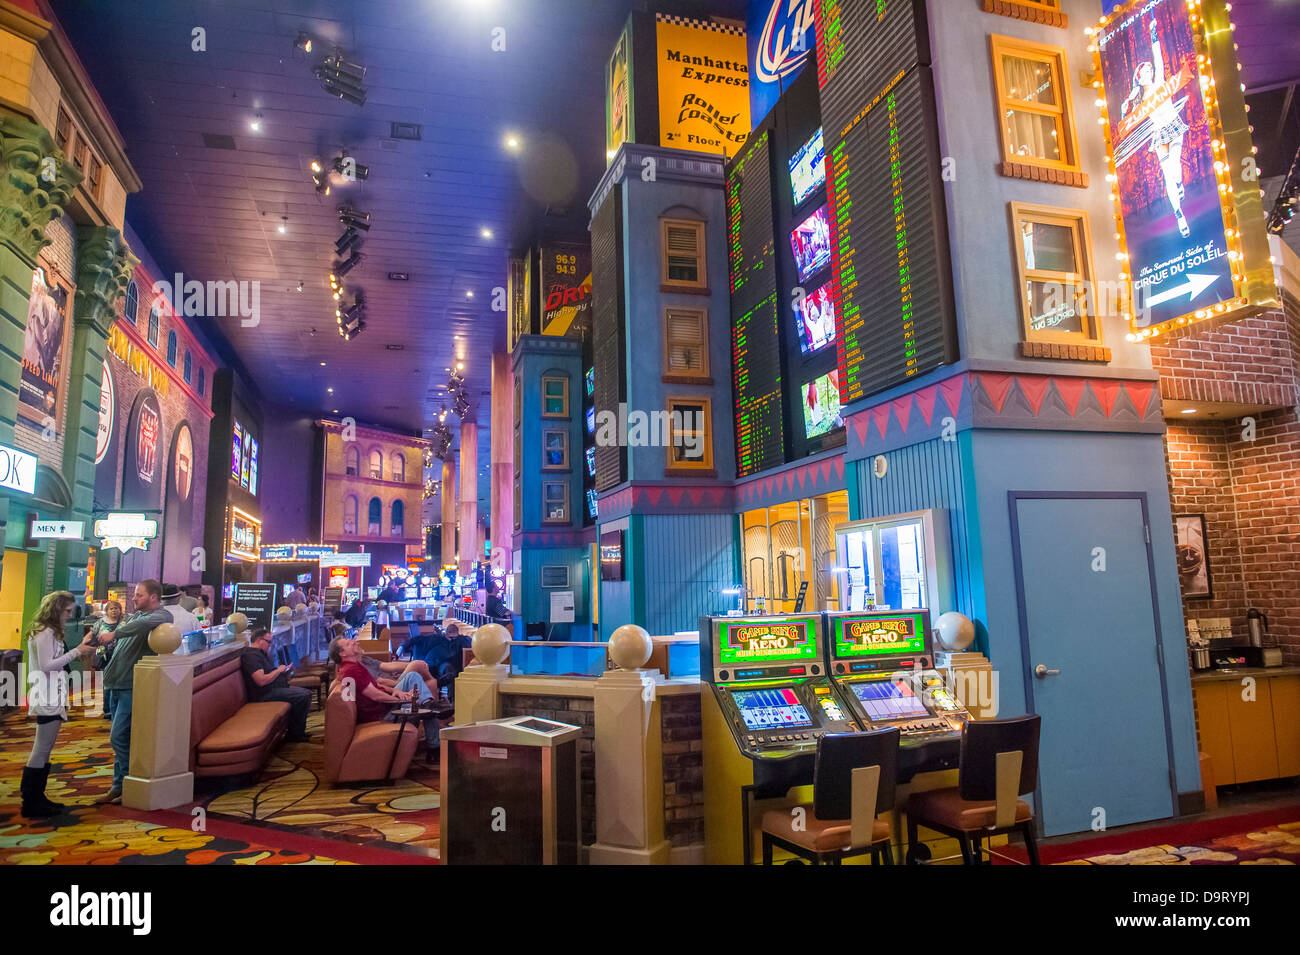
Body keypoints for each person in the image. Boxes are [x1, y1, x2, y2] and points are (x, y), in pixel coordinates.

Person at [21, 591, 96, 818]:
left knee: (45, 749)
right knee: (41, 748)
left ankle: (36, 797)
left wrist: (79, 647)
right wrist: (77, 651)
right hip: (46, 694)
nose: (69, 615)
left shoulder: (49, 632)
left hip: (52, 692)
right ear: (56, 609)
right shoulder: (44, 633)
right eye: (67, 611)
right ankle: (31, 800)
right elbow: (47, 665)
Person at [99, 579, 172, 804]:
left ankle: (131, 781)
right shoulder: (134, 617)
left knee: (118, 736)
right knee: (122, 737)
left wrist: (115, 634)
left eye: (139, 595)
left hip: (131, 685)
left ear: (153, 597)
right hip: (115, 684)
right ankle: (118, 785)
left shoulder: (161, 617)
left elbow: (142, 626)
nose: (133, 598)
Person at [330, 635, 441, 750]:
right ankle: (434, 745)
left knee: (415, 684)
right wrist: (402, 699)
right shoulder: (351, 671)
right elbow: (376, 696)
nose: (353, 642)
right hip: (383, 714)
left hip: (385, 707)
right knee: (424, 704)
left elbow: (377, 685)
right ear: (342, 654)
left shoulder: (354, 666)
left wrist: (396, 691)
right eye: (348, 644)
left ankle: (428, 705)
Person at [240, 627, 312, 742]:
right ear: (259, 640)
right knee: (303, 695)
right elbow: (261, 680)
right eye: (268, 642)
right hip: (263, 695)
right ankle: (295, 735)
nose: (270, 645)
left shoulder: (259, 654)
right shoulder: (251, 656)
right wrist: (278, 670)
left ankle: (295, 732)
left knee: (303, 694)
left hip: (272, 689)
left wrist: (284, 670)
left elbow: (268, 673)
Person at [91, 599, 124, 719]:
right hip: (104, 656)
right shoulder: (100, 623)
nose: (114, 611)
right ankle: (107, 709)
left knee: (117, 682)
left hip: (120, 655)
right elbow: (93, 638)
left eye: (116, 608)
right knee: (107, 683)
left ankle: (115, 707)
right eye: (111, 608)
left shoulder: (124, 623)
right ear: (107, 610)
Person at [423, 622, 471, 703]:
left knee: (450, 670)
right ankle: (452, 700)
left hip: (456, 666)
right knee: (449, 670)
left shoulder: (462, 641)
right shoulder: (439, 642)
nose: (453, 640)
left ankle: (454, 699)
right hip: (442, 667)